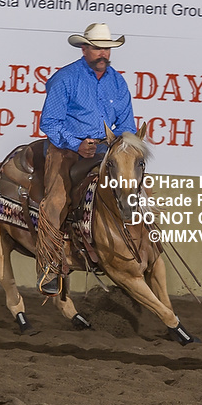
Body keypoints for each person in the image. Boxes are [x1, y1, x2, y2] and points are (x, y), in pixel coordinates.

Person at [37, 23, 137, 296]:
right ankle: (49, 267)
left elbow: (127, 124)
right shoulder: (66, 78)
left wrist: (116, 143)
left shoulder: (117, 82)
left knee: (132, 187)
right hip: (65, 149)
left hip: (105, 148)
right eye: (97, 48)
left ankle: (136, 250)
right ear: (84, 49)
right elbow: (50, 122)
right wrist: (77, 144)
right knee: (56, 201)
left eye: (106, 48)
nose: (103, 53)